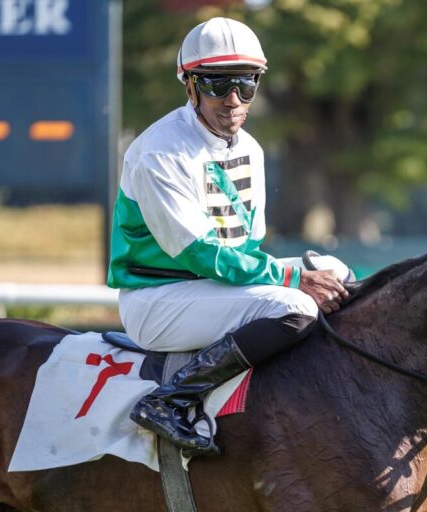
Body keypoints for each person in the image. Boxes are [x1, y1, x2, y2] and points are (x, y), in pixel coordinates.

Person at [107, 17, 348, 457]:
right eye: (217, 85)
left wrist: (298, 275)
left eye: (246, 85)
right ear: (190, 86)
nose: (233, 100)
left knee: (336, 270)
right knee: (294, 305)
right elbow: (201, 253)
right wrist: (290, 282)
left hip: (212, 286)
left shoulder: (250, 149)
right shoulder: (161, 151)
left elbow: (246, 249)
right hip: (158, 298)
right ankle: (172, 399)